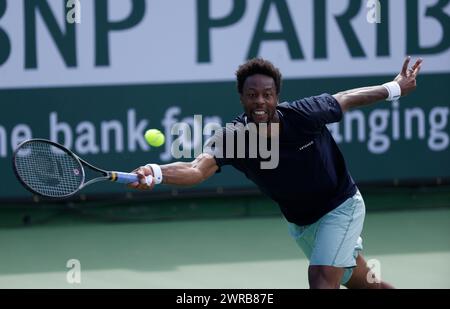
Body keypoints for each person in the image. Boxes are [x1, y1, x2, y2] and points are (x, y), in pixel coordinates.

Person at [129, 57, 422, 289]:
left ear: (277, 96)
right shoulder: (234, 138)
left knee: (321, 279)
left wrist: (395, 87)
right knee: (366, 285)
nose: (260, 101)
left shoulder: (304, 114)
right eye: (252, 95)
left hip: (341, 207)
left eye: (267, 95)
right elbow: (196, 169)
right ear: (241, 98)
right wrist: (156, 172)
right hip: (303, 224)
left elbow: (346, 97)